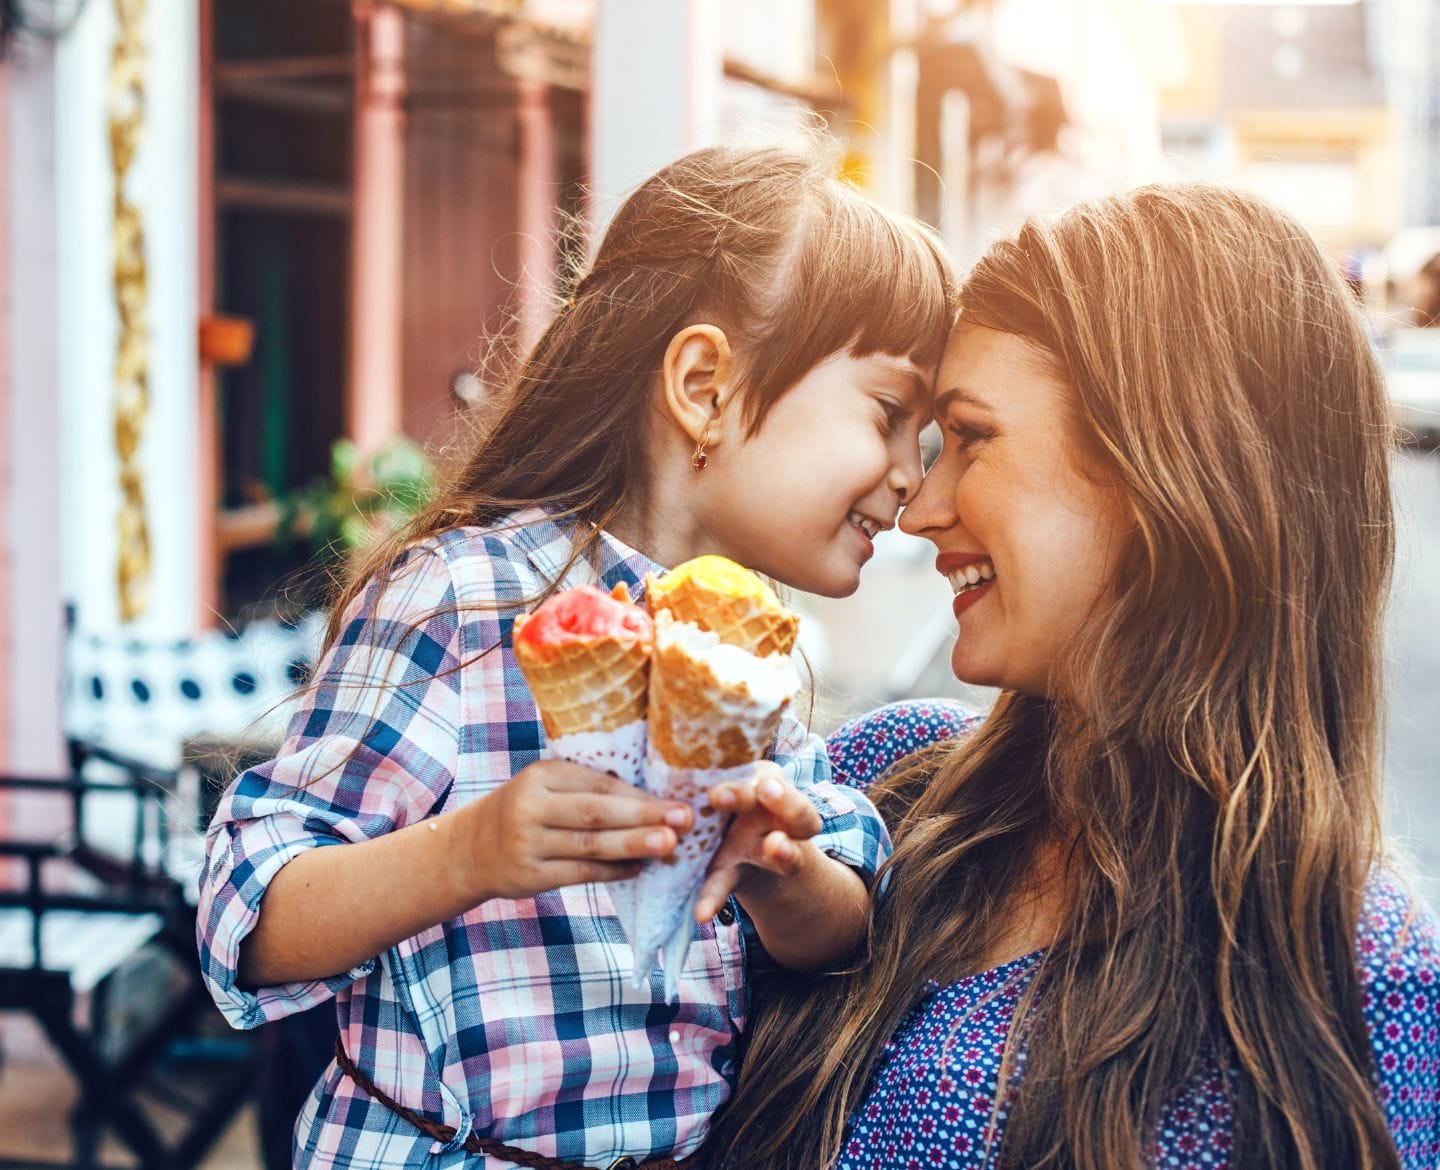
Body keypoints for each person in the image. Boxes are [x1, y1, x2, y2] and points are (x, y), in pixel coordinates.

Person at [195, 139, 956, 1170]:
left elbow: (847, 920)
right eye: (890, 414)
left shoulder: (753, 646)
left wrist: (782, 872)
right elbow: (250, 917)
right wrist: (468, 854)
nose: (915, 474)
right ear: (704, 385)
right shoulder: (467, 600)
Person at [707, 184, 1440, 1170]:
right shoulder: (882, 782)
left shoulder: (1364, 975)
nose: (918, 507)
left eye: (969, 438)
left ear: (1164, 472)